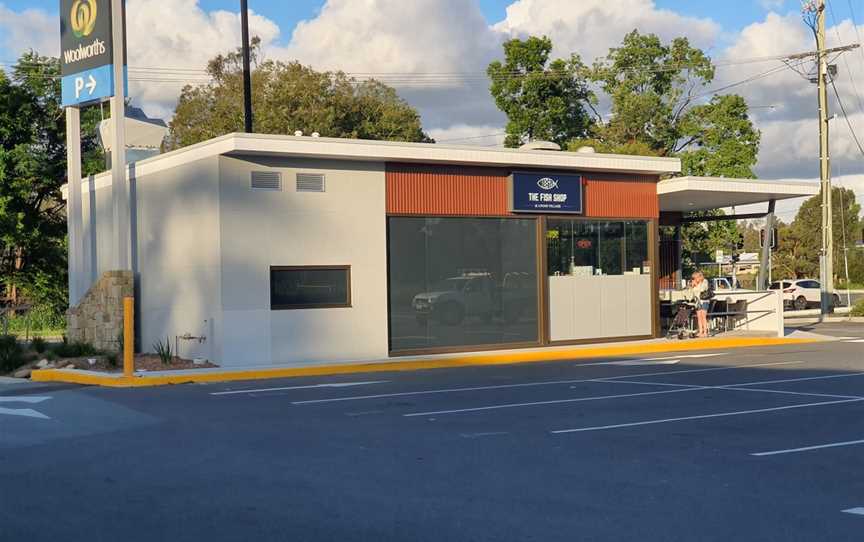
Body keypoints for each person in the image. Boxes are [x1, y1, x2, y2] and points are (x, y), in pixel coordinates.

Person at [685, 271, 710, 338]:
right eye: (693, 278)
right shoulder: (695, 283)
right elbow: (692, 294)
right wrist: (691, 287)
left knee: (703, 317)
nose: (694, 279)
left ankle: (705, 332)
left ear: (698, 277)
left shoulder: (704, 281)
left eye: (695, 278)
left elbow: (703, 289)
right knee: (699, 317)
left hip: (704, 301)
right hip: (697, 302)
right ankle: (701, 331)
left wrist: (697, 285)